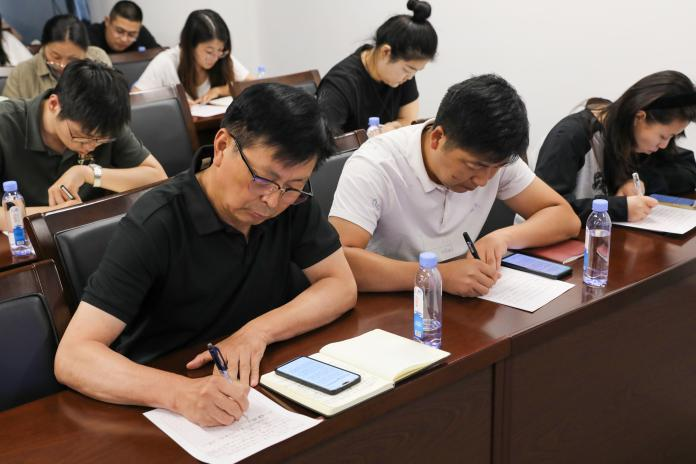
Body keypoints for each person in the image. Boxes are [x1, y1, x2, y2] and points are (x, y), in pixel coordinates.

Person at [54, 83, 357, 427]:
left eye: (292, 187)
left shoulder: (292, 203)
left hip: (252, 383)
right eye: (262, 179)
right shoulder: (157, 222)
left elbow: (340, 285)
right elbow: (74, 356)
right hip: (160, 399)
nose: (272, 201)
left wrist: (258, 332)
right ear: (223, 145)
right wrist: (180, 393)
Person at [329, 74, 581, 297]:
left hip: (461, 297)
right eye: (474, 166)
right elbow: (338, 261)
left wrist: (503, 238)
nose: (483, 180)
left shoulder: (494, 159)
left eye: (496, 168)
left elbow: (565, 218)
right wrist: (437, 276)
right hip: (390, 303)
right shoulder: (376, 164)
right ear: (437, 137)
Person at [0, 60, 166, 229]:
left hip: (90, 232)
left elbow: (157, 178)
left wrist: (89, 174)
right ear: (54, 104)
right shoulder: (5, 123)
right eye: (82, 137)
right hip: (20, 237)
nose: (91, 147)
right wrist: (54, 213)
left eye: (101, 140)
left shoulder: (106, 124)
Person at [535, 70, 696, 223]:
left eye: (672, 137)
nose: (664, 145)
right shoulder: (571, 135)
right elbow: (546, 209)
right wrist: (620, 209)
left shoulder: (638, 139)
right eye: (663, 136)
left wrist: (642, 181)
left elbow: (689, 170)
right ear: (639, 117)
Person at [317, 0, 437, 135]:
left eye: (414, 72)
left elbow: (409, 120)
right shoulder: (339, 85)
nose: (409, 77)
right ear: (386, 52)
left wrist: (395, 127)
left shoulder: (403, 76)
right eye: (407, 70)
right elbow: (325, 141)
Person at [133, 9, 253, 104]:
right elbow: (134, 99)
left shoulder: (222, 57)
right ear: (190, 45)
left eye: (220, 50)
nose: (215, 57)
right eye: (209, 52)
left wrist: (219, 90)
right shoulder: (166, 62)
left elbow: (254, 85)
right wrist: (174, 102)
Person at [2, 14, 111, 99]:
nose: (63, 65)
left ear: (86, 50)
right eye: (55, 56)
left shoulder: (97, 58)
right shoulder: (21, 74)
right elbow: (7, 115)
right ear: (43, 46)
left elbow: (112, 101)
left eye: (73, 59)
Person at [88, 0, 160, 54]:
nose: (124, 39)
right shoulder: (88, 37)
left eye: (131, 34)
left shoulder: (141, 33)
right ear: (107, 21)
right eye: (119, 31)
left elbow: (159, 55)